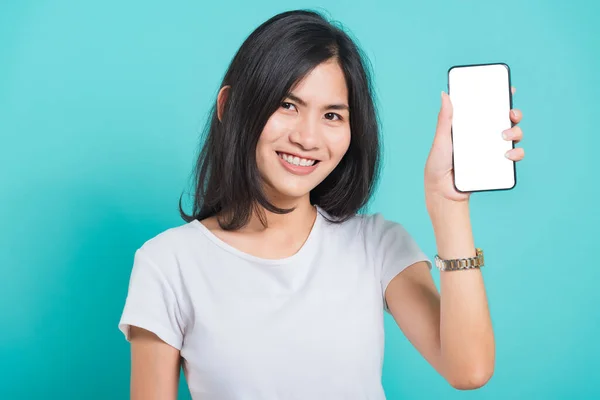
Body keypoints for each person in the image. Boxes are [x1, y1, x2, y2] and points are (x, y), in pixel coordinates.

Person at [118, 9, 526, 400]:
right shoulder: (166, 263)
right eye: (287, 105)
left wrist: (448, 204)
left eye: (332, 115)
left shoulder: (377, 245)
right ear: (229, 107)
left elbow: (469, 369)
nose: (308, 138)